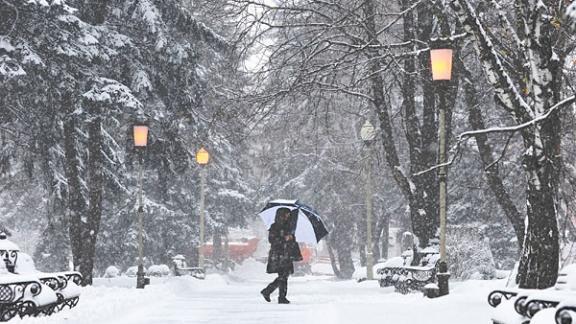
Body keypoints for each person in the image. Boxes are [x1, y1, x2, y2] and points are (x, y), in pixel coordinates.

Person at [260, 207, 302, 304]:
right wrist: (284, 238)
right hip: (278, 254)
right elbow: (272, 240)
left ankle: (278, 295)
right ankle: (271, 292)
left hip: (287, 254)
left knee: (284, 276)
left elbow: (292, 241)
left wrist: (291, 238)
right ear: (281, 215)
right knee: (283, 276)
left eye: (289, 214)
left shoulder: (289, 227)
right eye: (286, 214)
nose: (288, 216)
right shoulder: (274, 227)